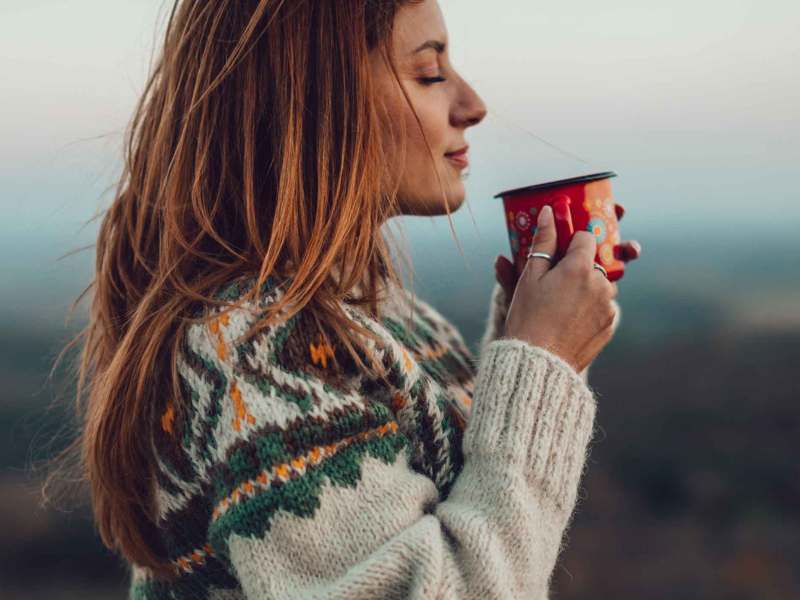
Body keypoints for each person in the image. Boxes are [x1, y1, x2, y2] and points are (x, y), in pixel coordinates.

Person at [50, 1, 642, 598]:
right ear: (311, 102)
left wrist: (527, 337)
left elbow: (460, 513)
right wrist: (543, 363)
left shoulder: (381, 314)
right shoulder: (253, 350)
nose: (473, 105)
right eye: (430, 73)